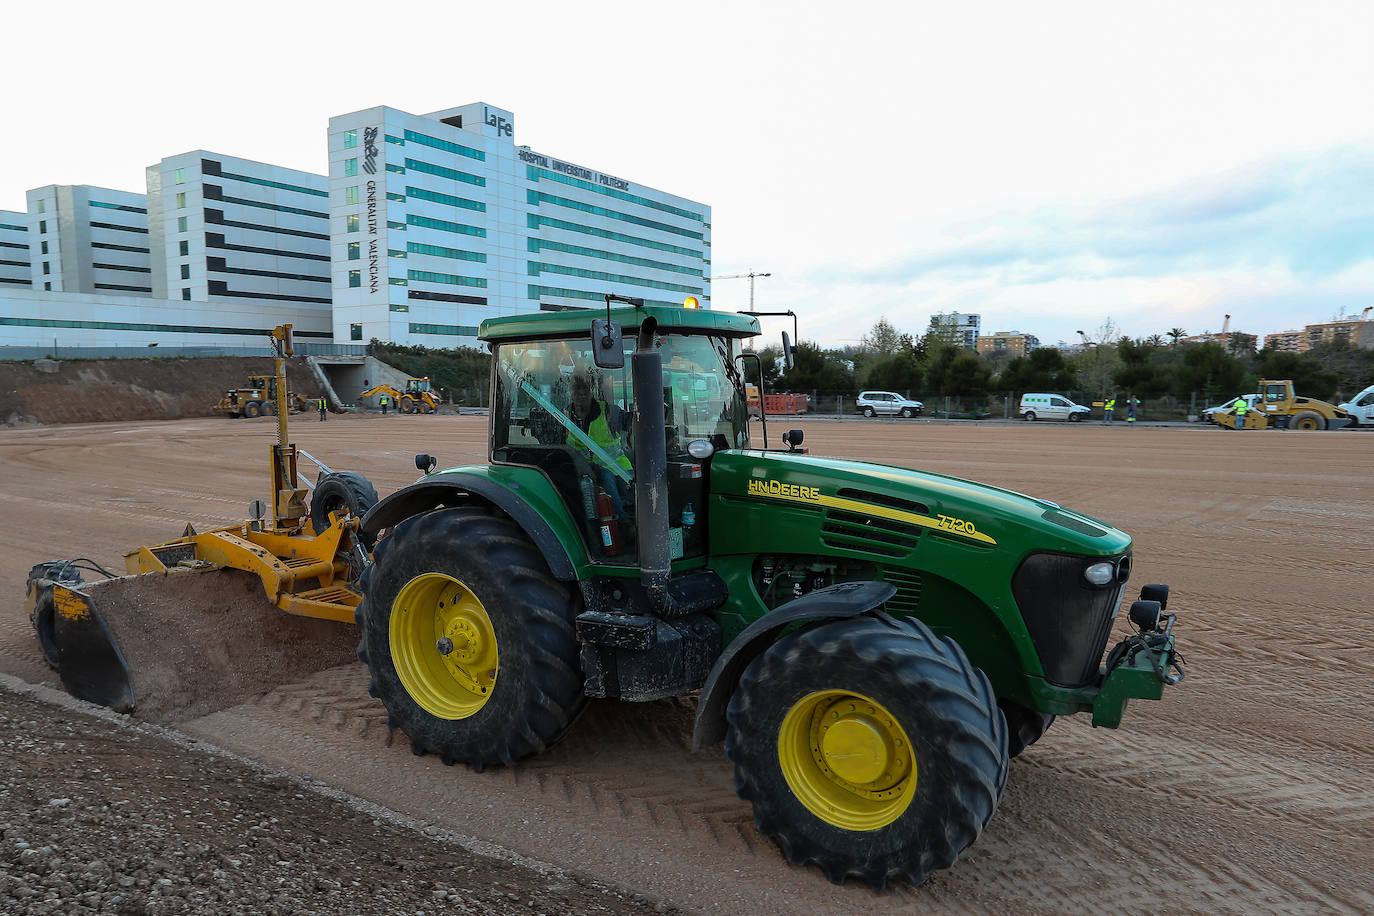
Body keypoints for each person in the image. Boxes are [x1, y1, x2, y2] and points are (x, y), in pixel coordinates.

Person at [568, 372, 633, 519]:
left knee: (637, 496)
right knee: (606, 478)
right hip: (585, 471)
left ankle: (630, 521)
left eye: (585, 389)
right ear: (571, 393)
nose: (581, 393)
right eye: (576, 389)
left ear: (592, 391)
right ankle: (621, 521)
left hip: (620, 467)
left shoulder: (609, 411)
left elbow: (632, 422)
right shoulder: (562, 417)